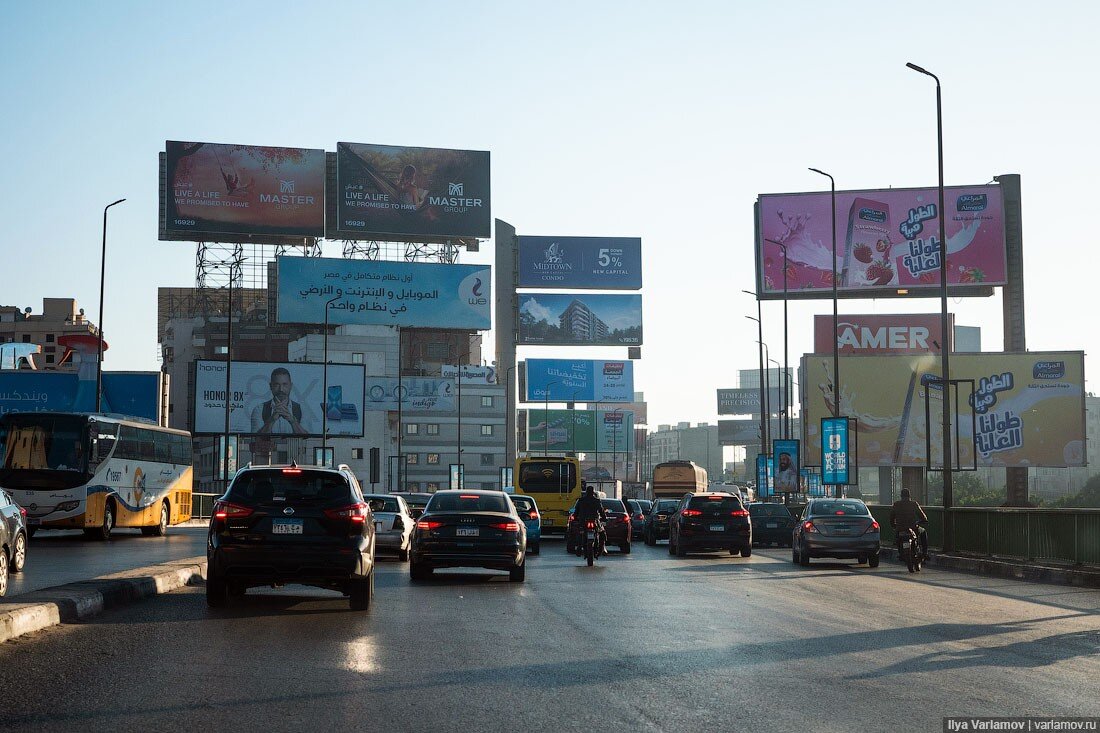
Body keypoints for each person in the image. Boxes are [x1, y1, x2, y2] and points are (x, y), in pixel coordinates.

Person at [250, 368, 308, 435]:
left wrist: (292, 421)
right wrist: (271, 420)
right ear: (270, 386)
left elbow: (307, 438)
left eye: (285, 384)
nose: (281, 389)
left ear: (291, 386)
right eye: (276, 385)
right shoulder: (259, 409)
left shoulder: (302, 409)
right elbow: (255, 438)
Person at [890, 487, 929, 559]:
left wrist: (894, 525)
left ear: (901, 496)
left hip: (900, 528)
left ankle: (901, 552)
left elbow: (891, 517)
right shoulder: (914, 504)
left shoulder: (896, 504)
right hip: (913, 527)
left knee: (898, 538)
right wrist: (924, 520)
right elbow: (922, 516)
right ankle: (925, 553)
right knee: (923, 532)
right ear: (909, 496)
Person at [573, 482, 608, 556]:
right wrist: (604, 518)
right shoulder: (596, 501)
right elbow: (601, 511)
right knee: (602, 533)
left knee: (580, 533)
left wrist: (575, 518)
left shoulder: (581, 500)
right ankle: (601, 549)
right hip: (594, 520)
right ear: (593, 492)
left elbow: (576, 511)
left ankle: (579, 548)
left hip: (584, 521)